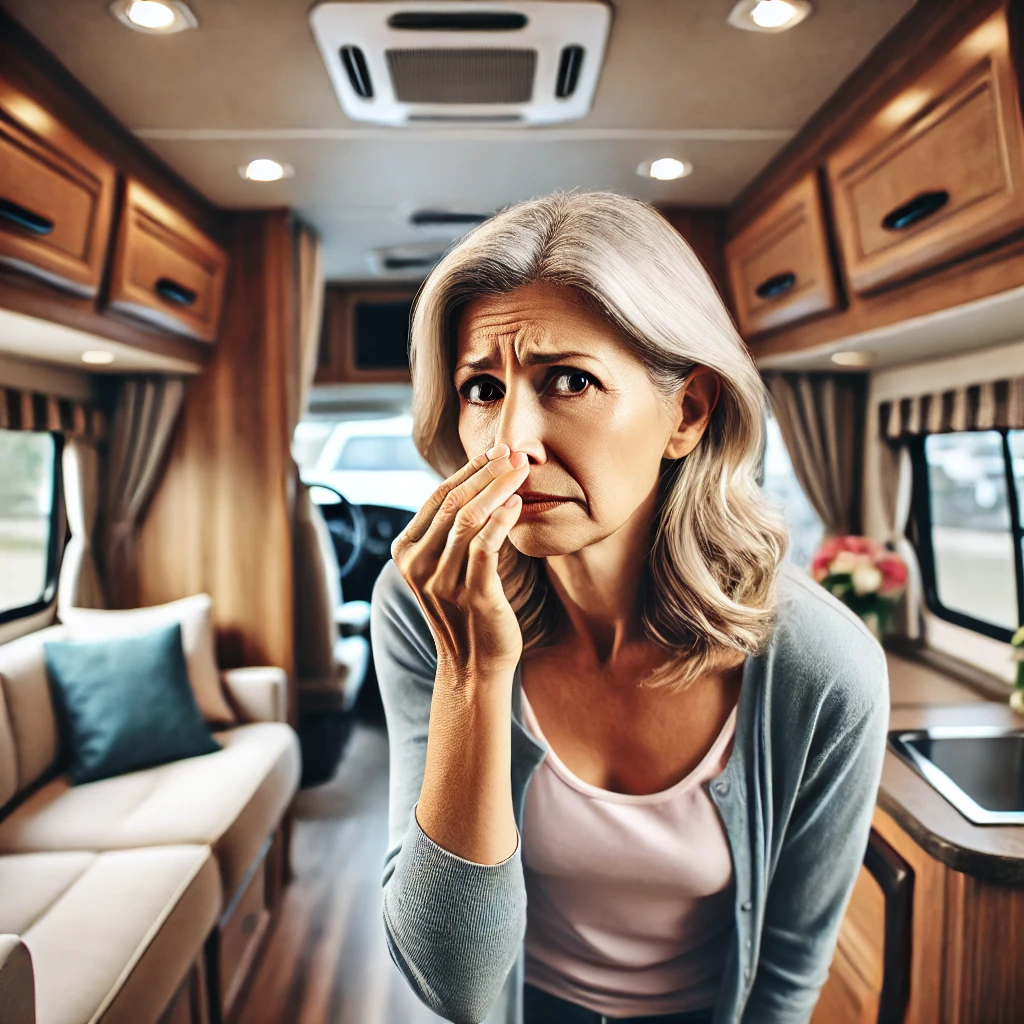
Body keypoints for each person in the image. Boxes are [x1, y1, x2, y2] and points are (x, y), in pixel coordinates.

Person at [370, 190, 889, 1024]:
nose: (512, 442)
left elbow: (787, 975)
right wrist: (472, 671)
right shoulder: (424, 605)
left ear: (686, 411)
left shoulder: (820, 666)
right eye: (480, 387)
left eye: (568, 380)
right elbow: (453, 986)